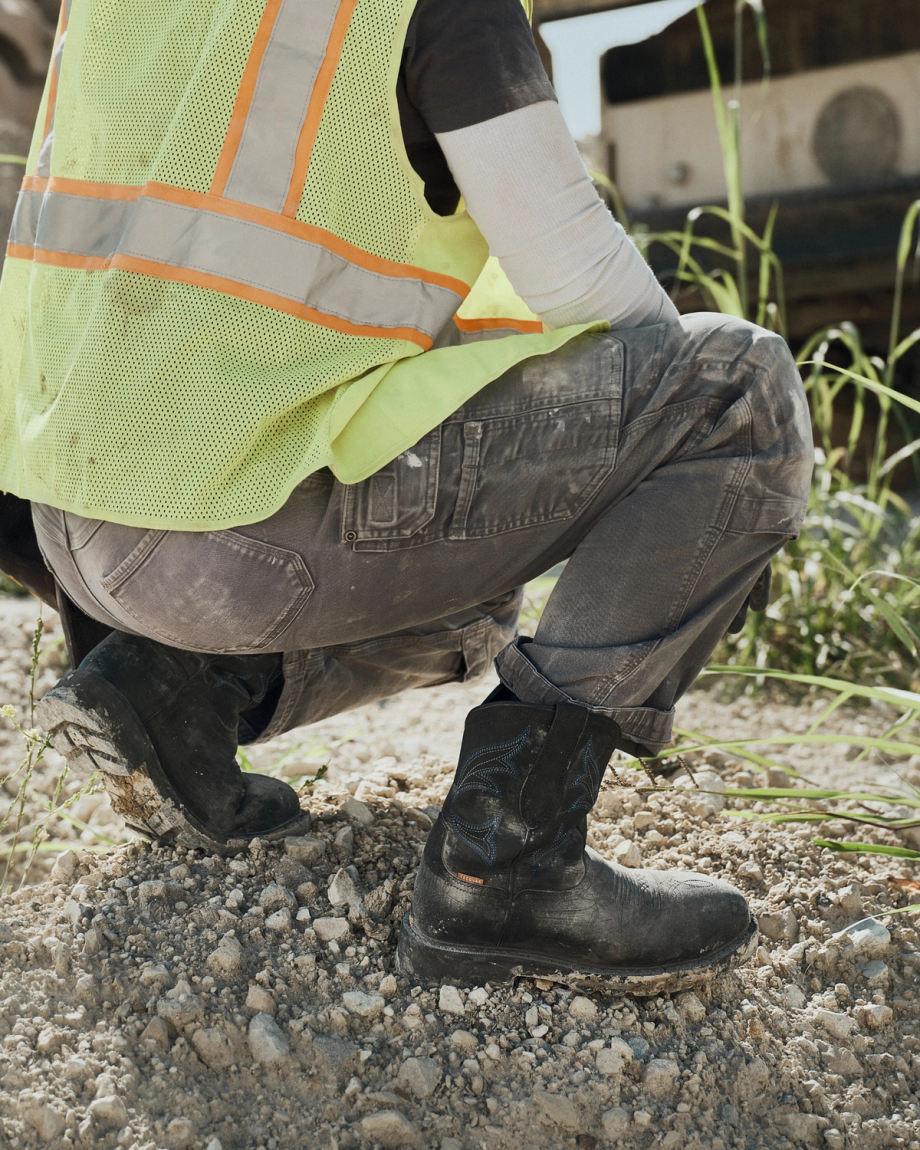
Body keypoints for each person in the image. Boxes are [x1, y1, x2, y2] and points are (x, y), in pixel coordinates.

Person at [0, 0, 813, 990]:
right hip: (231, 535)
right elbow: (591, 286)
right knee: (736, 391)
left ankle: (177, 690)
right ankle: (506, 865)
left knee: (478, 609)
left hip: (73, 517)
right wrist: (697, 501)